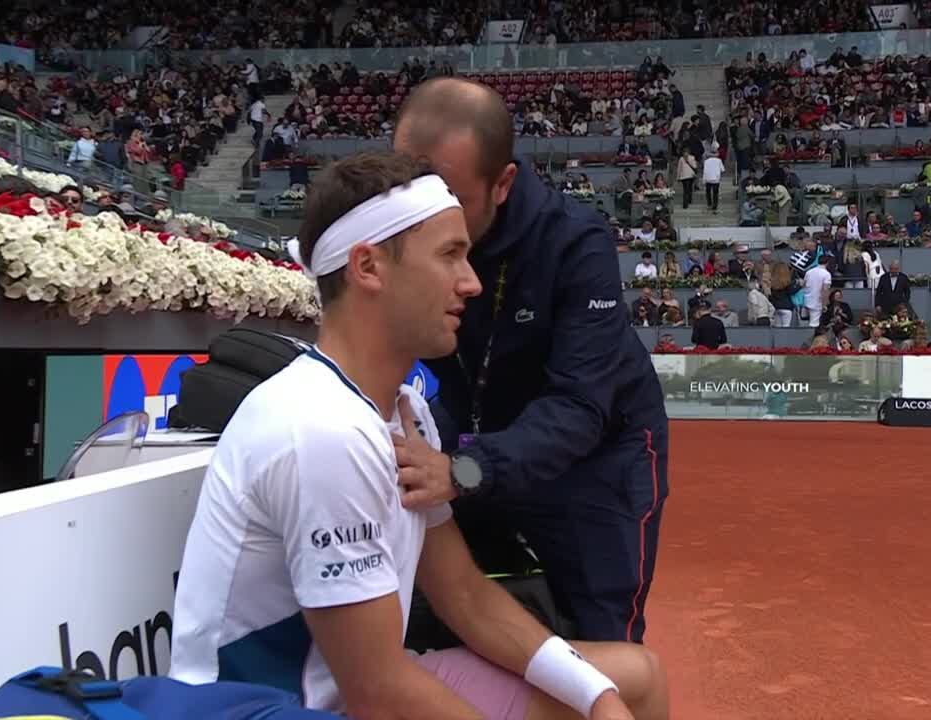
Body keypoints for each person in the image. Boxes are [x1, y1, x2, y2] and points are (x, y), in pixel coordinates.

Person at [168, 151, 667, 720]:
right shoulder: (322, 430)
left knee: (635, 680)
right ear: (368, 267)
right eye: (450, 255)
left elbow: (466, 597)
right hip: (262, 709)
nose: (472, 282)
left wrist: (596, 695)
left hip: (347, 689)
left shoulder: (406, 412)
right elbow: (378, 694)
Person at [389, 77, 670, 644]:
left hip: (597, 459)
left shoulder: (576, 243)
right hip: (477, 441)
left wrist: (463, 471)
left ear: (503, 184)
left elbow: (580, 407)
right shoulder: (397, 234)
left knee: (600, 641)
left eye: (449, 196)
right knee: (446, 619)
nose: (423, 217)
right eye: (407, 191)